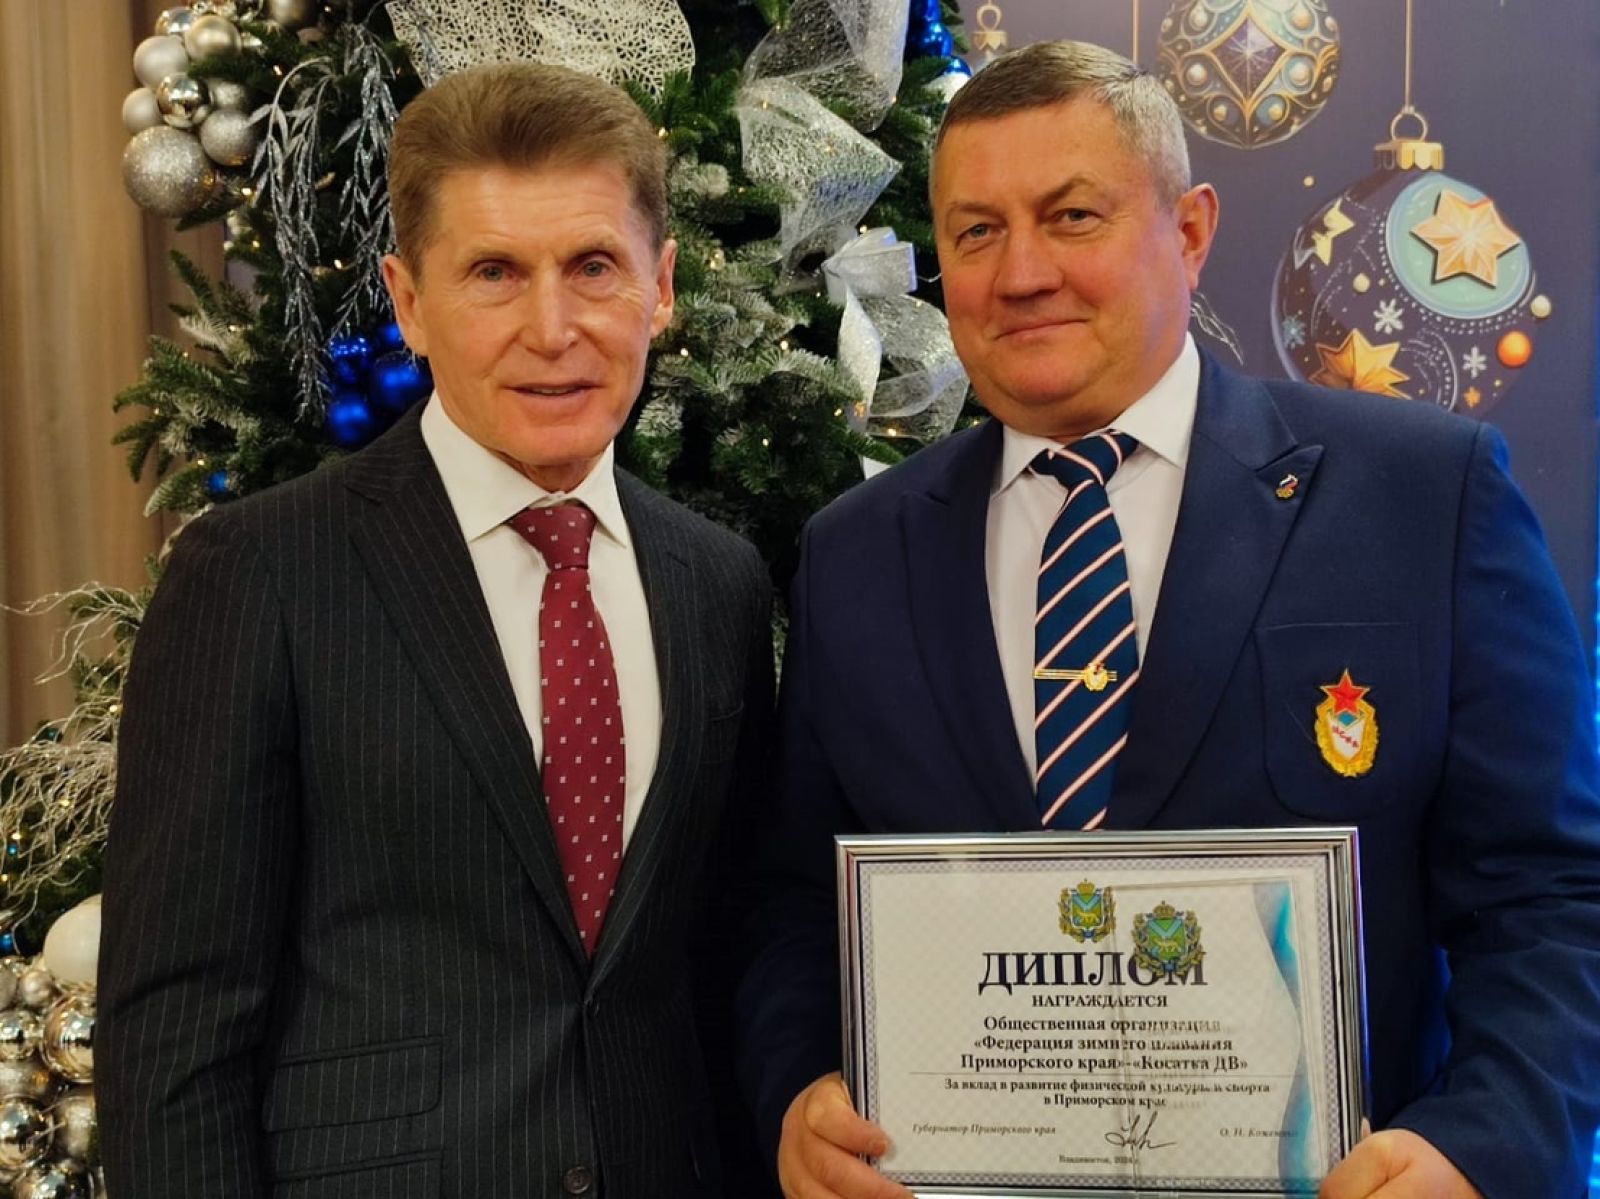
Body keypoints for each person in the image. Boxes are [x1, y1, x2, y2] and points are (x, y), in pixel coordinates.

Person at [737, 39, 1600, 1199]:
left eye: (1072, 215)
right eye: (976, 231)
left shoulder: (1423, 496)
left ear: (1189, 232)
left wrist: (1479, 1144)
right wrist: (796, 1090)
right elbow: (796, 904)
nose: (1020, 271)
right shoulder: (854, 551)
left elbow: (1549, 897)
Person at [98, 62, 774, 1197]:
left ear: (659, 288)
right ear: (409, 303)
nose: (551, 328)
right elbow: (175, 1029)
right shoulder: (258, 573)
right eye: (494, 273)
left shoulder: (720, 582)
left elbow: (718, 963)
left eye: (593, 267)